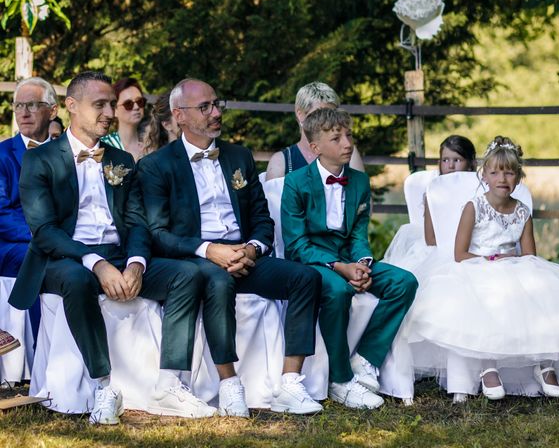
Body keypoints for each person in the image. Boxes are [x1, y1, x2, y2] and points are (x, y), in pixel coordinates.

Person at [9, 71, 215, 424]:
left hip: (119, 255)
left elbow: (137, 222)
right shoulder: (39, 160)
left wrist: (136, 264)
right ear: (71, 106)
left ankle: (169, 383)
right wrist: (95, 264)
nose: (108, 112)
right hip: (65, 257)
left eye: (110, 104)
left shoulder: (122, 161)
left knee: (187, 274)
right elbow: (44, 232)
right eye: (99, 104)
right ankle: (103, 385)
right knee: (77, 281)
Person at [136, 78, 323, 417]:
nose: (216, 112)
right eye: (204, 107)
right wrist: (209, 250)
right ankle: (229, 384)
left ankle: (291, 382)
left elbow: (262, 220)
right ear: (179, 115)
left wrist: (251, 249)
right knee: (217, 280)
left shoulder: (238, 156)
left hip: (244, 257)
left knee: (305, 278)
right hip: (199, 259)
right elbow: (157, 233)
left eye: (217, 104)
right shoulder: (156, 166)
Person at [404, 136, 559, 402]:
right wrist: (491, 261)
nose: (502, 178)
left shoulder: (522, 211)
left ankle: (543, 362)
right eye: (495, 172)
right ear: (484, 176)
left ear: (518, 177)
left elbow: (530, 255)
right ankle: (487, 364)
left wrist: (513, 264)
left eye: (509, 172)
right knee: (489, 294)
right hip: (476, 266)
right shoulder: (473, 207)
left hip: (513, 264)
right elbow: (460, 253)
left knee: (540, 289)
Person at [281, 108, 418, 409]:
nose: (347, 144)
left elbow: (358, 233)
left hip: (349, 259)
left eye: (349, 135)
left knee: (404, 282)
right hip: (315, 262)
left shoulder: (358, 181)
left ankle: (365, 359)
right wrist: (341, 268)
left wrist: (363, 265)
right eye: (336, 138)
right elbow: (296, 245)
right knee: (339, 289)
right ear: (315, 147)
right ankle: (340, 380)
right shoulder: (296, 183)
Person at [1, 77, 59, 339]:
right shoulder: (2, 155)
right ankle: (41, 352)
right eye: (19, 105)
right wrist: (43, 236)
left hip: (65, 236)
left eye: (33, 105)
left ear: (53, 110)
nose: (23, 112)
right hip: (16, 242)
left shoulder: (67, 154)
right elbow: (2, 214)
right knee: (37, 259)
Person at [383, 135, 476, 271]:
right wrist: (456, 247)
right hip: (440, 249)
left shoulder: (477, 193)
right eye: (445, 160)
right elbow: (430, 239)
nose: (450, 166)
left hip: (471, 248)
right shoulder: (433, 194)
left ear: (470, 164)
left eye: (457, 160)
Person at [265, 81, 365, 180]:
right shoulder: (281, 161)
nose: (327, 120)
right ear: (300, 114)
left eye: (331, 114)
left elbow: (362, 193)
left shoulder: (348, 152)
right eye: (318, 114)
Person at [102, 77, 146, 160]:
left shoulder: (151, 143)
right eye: (128, 104)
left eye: (140, 101)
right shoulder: (104, 145)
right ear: (114, 110)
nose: (136, 107)